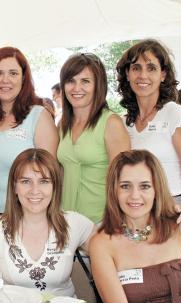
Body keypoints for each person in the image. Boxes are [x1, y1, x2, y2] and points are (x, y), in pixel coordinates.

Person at [0, 148, 95, 296]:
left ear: (55, 187)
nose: (34, 190)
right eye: (26, 181)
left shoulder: (75, 224)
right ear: (14, 186)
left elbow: (113, 252)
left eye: (44, 181)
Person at [90, 150, 181, 303]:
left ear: (156, 190)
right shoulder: (102, 244)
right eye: (125, 186)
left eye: (145, 186)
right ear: (114, 191)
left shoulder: (178, 226)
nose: (135, 195)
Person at [0, 47, 58, 228]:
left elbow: (50, 174)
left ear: (23, 78)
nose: (5, 80)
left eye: (13, 73)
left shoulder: (38, 116)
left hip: (26, 216)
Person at [117, 39, 181, 210]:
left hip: (174, 210)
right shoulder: (123, 123)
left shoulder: (174, 114)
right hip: (136, 212)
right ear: (128, 73)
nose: (143, 75)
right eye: (136, 68)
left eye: (151, 68)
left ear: (163, 75)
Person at [57, 53, 130, 223]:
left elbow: (124, 180)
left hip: (100, 223)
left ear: (98, 85)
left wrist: (114, 223)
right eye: (70, 81)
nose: (76, 88)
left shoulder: (111, 123)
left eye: (85, 81)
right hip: (65, 222)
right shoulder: (62, 124)